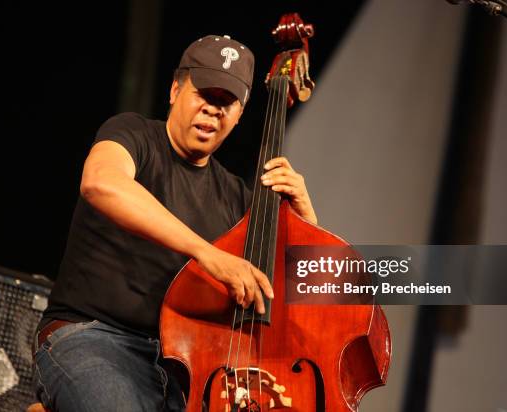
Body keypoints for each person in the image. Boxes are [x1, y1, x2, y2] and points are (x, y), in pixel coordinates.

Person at [32, 34, 317, 411]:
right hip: (93, 338)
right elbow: (100, 181)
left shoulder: (237, 198)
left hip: (185, 367)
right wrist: (205, 253)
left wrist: (305, 218)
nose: (213, 110)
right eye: (204, 94)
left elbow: (302, 296)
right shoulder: (133, 134)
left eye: (226, 102)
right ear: (174, 90)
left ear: (240, 115)